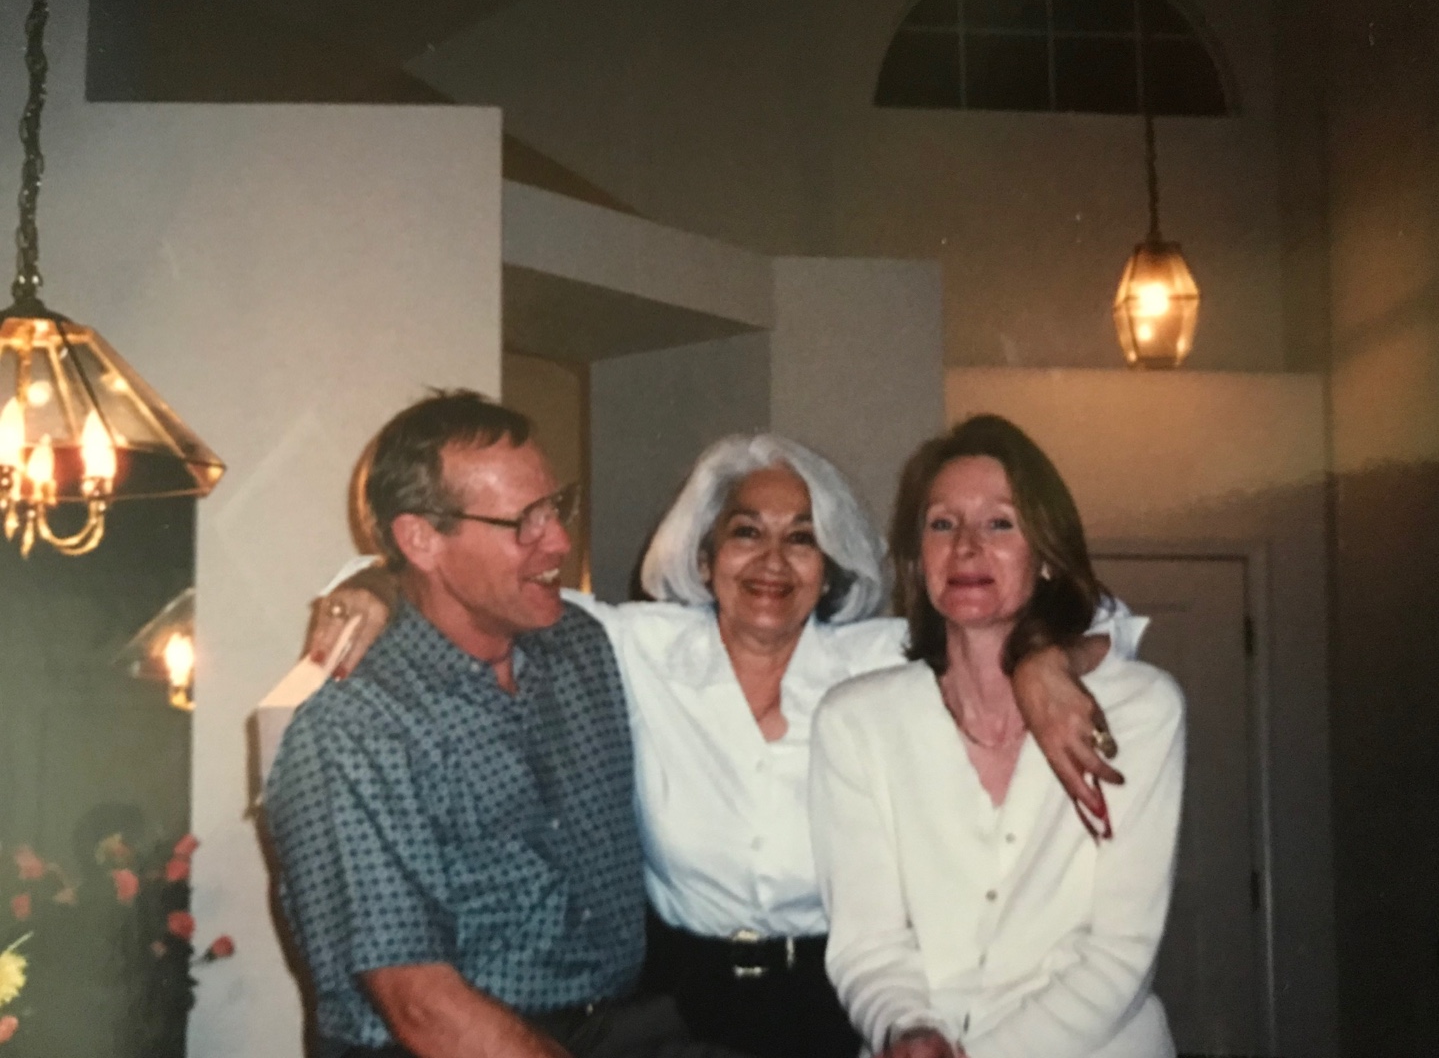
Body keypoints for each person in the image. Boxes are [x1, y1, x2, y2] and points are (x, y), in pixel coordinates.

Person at [307, 429, 1140, 1058]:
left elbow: (1110, 626)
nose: (772, 561)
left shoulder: (884, 660)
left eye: (800, 537)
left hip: (840, 997)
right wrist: (370, 585)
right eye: (746, 533)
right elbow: (469, 584)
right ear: (703, 558)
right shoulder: (632, 648)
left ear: (828, 564)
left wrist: (1040, 660)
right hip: (678, 1001)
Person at [265, 391, 743, 1058]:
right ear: (421, 540)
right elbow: (418, 1003)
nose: (559, 541)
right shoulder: (354, 728)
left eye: (555, 508)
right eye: (523, 522)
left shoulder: (578, 648)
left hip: (615, 1024)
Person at [810, 415, 1185, 1058]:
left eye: (1000, 524)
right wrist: (907, 1026)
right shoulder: (855, 722)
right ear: (917, 558)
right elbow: (867, 943)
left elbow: (1121, 951)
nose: (966, 548)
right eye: (942, 524)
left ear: (1047, 555)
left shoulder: (1139, 711)